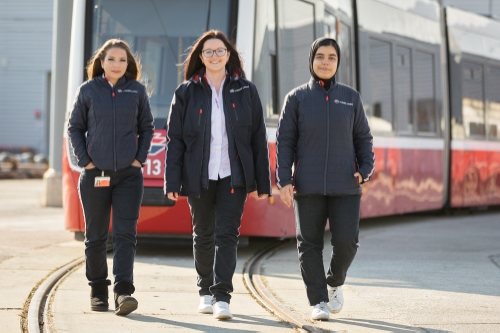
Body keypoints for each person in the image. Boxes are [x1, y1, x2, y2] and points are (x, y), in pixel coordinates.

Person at [164, 30, 271, 320]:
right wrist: (172, 181)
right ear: (201, 57)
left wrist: (263, 183)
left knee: (228, 235)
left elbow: (258, 138)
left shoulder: (245, 90)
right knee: (202, 235)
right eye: (208, 52)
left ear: (228, 54)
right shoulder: (186, 92)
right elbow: (175, 140)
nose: (214, 56)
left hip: (232, 175)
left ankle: (222, 296)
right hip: (198, 175)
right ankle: (205, 292)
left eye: (219, 50)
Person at [276, 37, 374, 321]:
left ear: (337, 62)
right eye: (320, 56)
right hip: (307, 187)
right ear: (311, 60)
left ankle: (333, 281)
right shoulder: (296, 99)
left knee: (347, 242)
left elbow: (364, 138)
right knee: (309, 244)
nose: (326, 62)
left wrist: (364, 170)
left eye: (331, 57)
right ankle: (317, 300)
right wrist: (284, 180)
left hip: (346, 185)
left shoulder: (351, 97)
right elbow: (285, 143)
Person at [68, 39, 154, 316]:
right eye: (112, 59)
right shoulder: (89, 90)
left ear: (129, 64)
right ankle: (97, 290)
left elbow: (147, 127)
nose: (117, 64)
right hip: (95, 175)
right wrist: (87, 163)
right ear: (101, 62)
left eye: (123, 60)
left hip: (129, 176)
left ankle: (123, 292)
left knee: (125, 235)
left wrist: (139, 160)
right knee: (95, 236)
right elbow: (74, 128)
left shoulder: (137, 91)